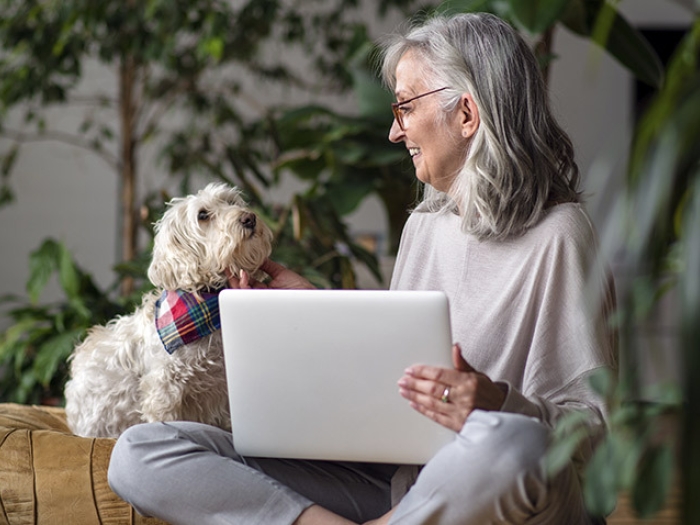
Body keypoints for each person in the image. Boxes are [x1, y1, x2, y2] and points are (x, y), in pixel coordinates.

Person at [108, 12, 616, 525]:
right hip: (404, 486)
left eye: (405, 107)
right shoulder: (425, 225)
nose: (396, 130)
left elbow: (594, 436)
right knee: (142, 452)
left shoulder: (562, 236)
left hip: (491, 482)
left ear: (466, 114)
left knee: (515, 443)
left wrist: (495, 402)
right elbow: (398, 387)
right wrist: (317, 315)